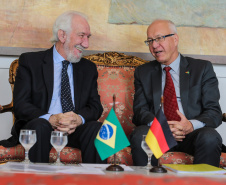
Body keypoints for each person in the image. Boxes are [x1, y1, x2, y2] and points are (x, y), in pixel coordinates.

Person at [0, 11, 106, 163]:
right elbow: (21, 105)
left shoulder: (87, 68)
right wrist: (51, 118)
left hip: (74, 130)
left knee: (98, 129)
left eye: (88, 37)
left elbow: (95, 107)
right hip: (42, 128)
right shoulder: (31, 62)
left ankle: (94, 180)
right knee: (40, 125)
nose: (86, 44)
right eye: (81, 35)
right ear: (62, 35)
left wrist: (77, 118)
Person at [129, 19, 223, 167]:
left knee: (210, 137)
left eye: (159, 38)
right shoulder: (143, 72)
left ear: (175, 39)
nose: (154, 45)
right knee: (141, 135)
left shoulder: (202, 68)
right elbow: (140, 111)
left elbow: (214, 112)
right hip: (158, 133)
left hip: (192, 134)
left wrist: (190, 125)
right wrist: (161, 127)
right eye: (150, 41)